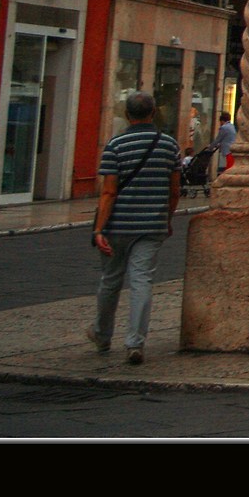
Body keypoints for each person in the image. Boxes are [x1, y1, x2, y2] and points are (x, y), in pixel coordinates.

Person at [86, 91, 181, 366]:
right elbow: (174, 190)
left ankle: (102, 335)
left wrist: (99, 229)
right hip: (152, 225)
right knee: (142, 281)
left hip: (117, 225)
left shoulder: (115, 145)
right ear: (153, 113)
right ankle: (135, 342)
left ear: (127, 115)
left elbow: (109, 192)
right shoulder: (169, 145)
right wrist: (167, 219)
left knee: (110, 280)